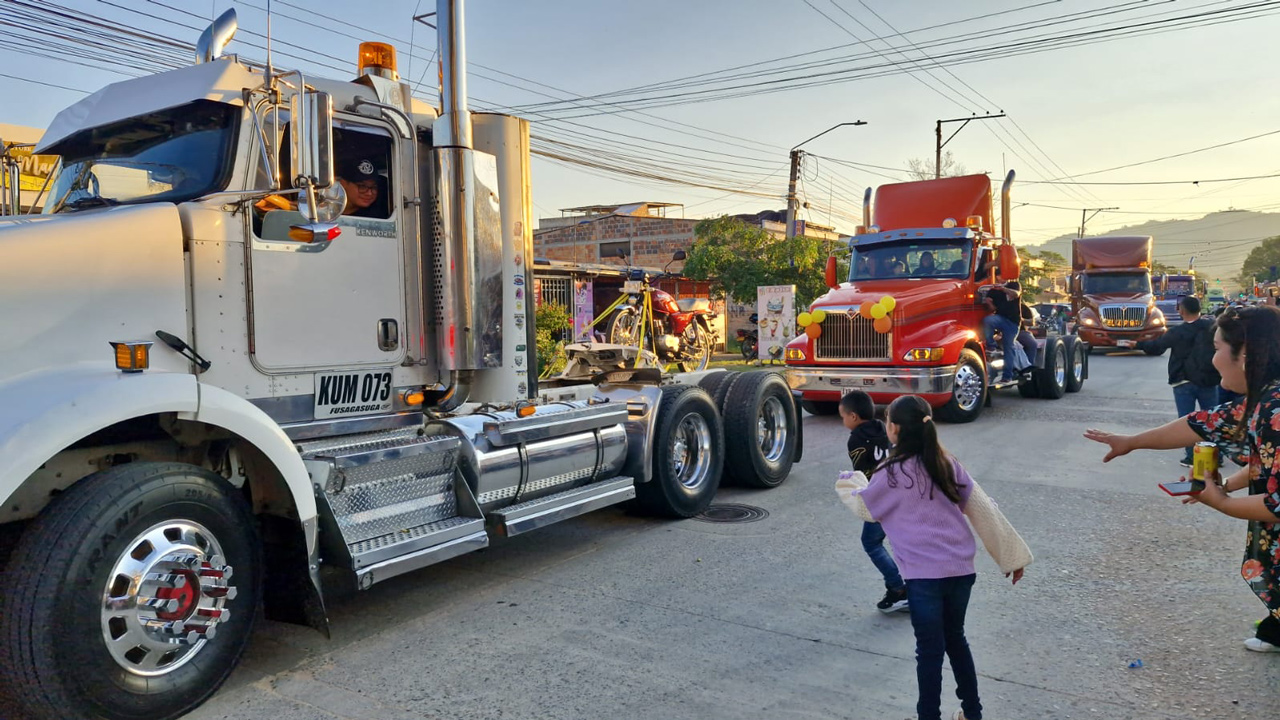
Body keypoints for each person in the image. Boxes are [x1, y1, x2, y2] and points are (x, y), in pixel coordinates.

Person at [1085, 305, 1280, 653]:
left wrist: (1221, 502)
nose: (1213, 359)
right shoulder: (1264, 400)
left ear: (1246, 355)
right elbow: (1200, 423)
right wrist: (1131, 442)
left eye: (1218, 349)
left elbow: (1277, 501)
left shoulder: (1275, 411)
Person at [836, 396, 1032, 720]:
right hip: (960, 573)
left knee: (928, 653)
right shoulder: (946, 462)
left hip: (923, 578)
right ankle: (972, 713)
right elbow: (982, 508)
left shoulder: (891, 472)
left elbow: (866, 508)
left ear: (894, 429)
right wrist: (1011, 556)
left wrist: (849, 482)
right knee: (956, 640)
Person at [839, 390, 906, 614]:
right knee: (902, 541)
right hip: (900, 492)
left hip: (880, 498)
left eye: (843, 417)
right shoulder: (883, 428)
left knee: (871, 542)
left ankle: (899, 589)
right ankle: (914, 586)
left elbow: (862, 473)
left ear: (854, 417)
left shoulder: (855, 440)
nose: (843, 421)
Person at [1135, 295, 1221, 467]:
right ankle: (1216, 457)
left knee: (1186, 422)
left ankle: (1191, 457)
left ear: (1181, 311)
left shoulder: (1176, 332)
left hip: (1183, 381)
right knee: (1213, 419)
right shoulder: (1212, 328)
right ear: (1199, 309)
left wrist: (1136, 344)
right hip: (1208, 380)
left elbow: (1156, 346)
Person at [982, 280, 1023, 382]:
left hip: (1013, 322)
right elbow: (992, 308)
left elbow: (1016, 294)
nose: (999, 279)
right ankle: (991, 345)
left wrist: (1003, 289)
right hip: (1001, 318)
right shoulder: (992, 290)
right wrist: (989, 303)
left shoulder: (1013, 284)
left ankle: (1007, 376)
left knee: (1009, 348)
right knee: (988, 320)